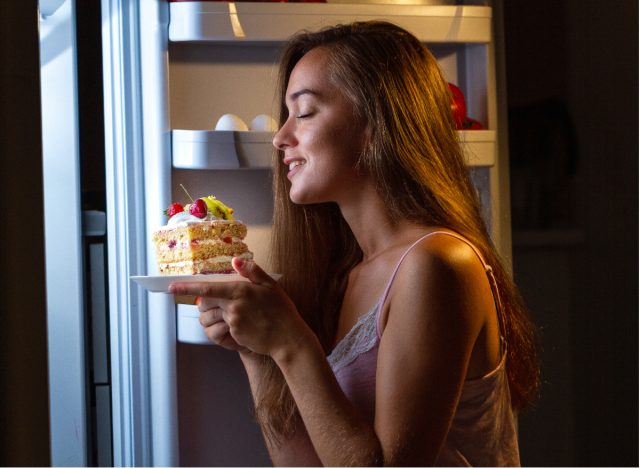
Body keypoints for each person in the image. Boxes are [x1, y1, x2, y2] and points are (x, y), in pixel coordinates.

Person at [169, 21, 539, 466]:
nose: (280, 137)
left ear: (375, 121)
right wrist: (256, 351)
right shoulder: (348, 274)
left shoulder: (438, 263)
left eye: (303, 113)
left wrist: (291, 343)